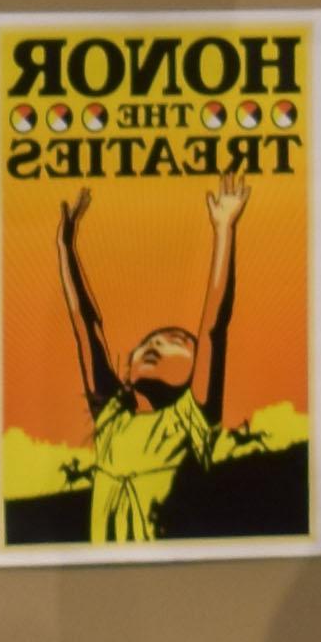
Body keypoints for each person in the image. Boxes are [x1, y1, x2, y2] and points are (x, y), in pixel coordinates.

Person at [59, 182, 247, 549]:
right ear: (127, 371)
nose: (154, 345)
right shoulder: (112, 420)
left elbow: (212, 327)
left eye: (175, 341)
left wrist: (224, 229)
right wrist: (65, 247)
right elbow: (85, 326)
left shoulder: (190, 420)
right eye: (148, 342)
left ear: (196, 371)